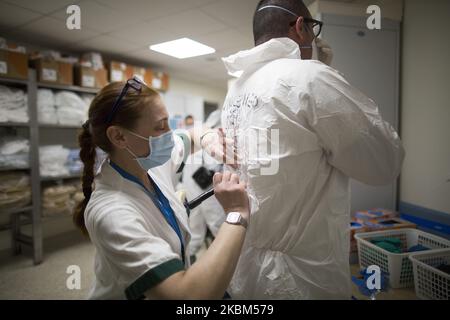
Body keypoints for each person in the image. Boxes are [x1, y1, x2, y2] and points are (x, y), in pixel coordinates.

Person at [220, 0, 405, 299]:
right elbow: (385, 162)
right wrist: (331, 84)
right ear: (300, 28)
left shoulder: (237, 90)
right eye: (312, 28)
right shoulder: (312, 78)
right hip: (301, 280)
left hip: (245, 271)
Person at [73, 77, 250, 300]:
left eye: (168, 123)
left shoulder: (149, 162)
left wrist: (207, 138)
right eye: (160, 126)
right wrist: (236, 214)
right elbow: (187, 296)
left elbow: (193, 133)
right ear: (119, 136)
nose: (170, 134)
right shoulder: (112, 213)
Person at [179, 110, 226, 260]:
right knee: (217, 227)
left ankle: (189, 259)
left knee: (195, 231)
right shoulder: (213, 139)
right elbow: (215, 167)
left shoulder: (202, 136)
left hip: (195, 189)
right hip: (205, 189)